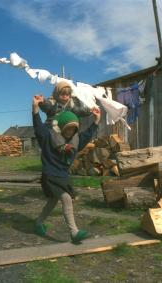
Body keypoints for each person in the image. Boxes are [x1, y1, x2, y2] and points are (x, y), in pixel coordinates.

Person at [32, 94, 101, 243]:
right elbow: (38, 127)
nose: (71, 132)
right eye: (68, 128)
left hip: (62, 176)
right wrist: (35, 108)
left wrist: (96, 121)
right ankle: (74, 232)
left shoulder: (76, 141)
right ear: (62, 127)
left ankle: (38, 223)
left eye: (74, 129)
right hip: (50, 176)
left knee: (52, 201)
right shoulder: (49, 137)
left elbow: (88, 134)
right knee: (66, 199)